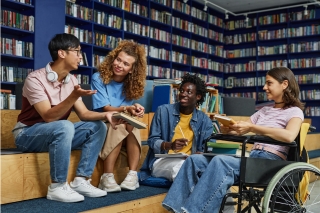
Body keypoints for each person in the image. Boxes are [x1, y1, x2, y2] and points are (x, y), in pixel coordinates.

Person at [162, 67, 305, 213]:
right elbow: (243, 129)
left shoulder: (295, 111)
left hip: (270, 163)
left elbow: (289, 136)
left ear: (284, 84)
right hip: (253, 158)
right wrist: (229, 129)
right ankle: (175, 208)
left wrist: (252, 128)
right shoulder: (263, 111)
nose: (264, 87)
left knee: (220, 161)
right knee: (194, 160)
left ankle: (193, 211)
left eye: (269, 83)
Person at [12, 33, 123, 203]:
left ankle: (81, 180)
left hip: (56, 133)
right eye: (77, 52)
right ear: (62, 53)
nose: (80, 57)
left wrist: (107, 115)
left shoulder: (71, 80)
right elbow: (48, 117)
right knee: (64, 126)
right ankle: (57, 186)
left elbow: (84, 114)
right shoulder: (35, 79)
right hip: (27, 134)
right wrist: (72, 97)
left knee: (97, 127)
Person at [91, 40, 147, 192]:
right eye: (118, 60)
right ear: (113, 58)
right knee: (120, 124)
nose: (119, 65)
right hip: (102, 119)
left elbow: (125, 110)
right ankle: (106, 176)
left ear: (131, 70)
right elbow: (106, 108)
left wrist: (135, 108)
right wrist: (127, 108)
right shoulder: (98, 77)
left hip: (121, 119)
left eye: (126, 64)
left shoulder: (130, 84)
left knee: (131, 124)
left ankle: (132, 175)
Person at [139, 73, 214, 183]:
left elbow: (210, 146)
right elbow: (152, 141)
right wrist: (170, 145)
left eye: (189, 92)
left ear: (198, 96)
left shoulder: (204, 120)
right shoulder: (163, 111)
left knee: (212, 169)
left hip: (191, 161)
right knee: (184, 168)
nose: (183, 94)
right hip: (162, 160)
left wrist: (200, 154)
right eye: (182, 91)